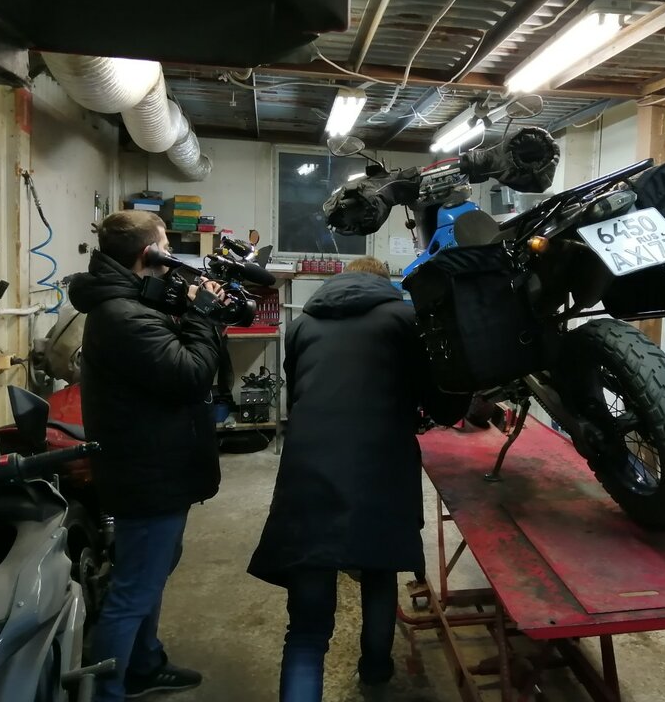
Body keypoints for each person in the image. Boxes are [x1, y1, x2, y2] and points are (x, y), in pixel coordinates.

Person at [248, 256, 468, 702]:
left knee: (306, 629)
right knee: (378, 569)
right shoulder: (405, 320)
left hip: (307, 472)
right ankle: (376, 672)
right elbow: (442, 403)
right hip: (379, 469)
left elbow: (300, 389)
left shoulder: (301, 326)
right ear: (384, 284)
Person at [69, 210, 224, 702]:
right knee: (133, 589)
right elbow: (190, 375)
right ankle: (107, 692)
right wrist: (202, 316)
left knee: (148, 578)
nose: (171, 256)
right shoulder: (122, 315)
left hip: (155, 464)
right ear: (148, 253)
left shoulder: (128, 302)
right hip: (146, 473)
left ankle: (143, 664)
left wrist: (188, 307)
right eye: (165, 247)